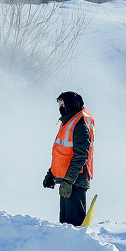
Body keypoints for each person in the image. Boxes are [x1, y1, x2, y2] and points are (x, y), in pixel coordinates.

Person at [43, 91, 95, 226]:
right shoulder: (68, 122)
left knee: (73, 227)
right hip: (68, 180)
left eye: (62, 104)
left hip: (75, 181)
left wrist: (68, 182)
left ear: (70, 104)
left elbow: (80, 156)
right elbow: (62, 153)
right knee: (65, 226)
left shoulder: (80, 125)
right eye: (59, 104)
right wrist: (52, 174)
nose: (60, 108)